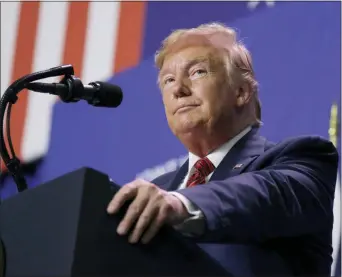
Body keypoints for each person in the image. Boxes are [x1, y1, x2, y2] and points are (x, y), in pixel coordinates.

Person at [106, 22, 339, 276]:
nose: (178, 90)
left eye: (197, 72)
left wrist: (181, 204)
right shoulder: (156, 190)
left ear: (241, 91)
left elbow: (260, 195)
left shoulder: (303, 158)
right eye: (168, 80)